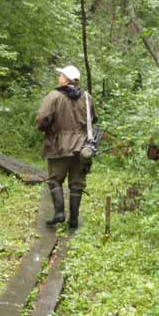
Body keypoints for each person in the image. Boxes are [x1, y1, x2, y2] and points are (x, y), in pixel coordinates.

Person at [36, 65, 96, 229]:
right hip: (82, 148)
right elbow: (93, 118)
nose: (59, 77)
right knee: (77, 183)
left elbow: (42, 119)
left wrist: (46, 128)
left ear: (66, 79)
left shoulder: (53, 96)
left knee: (55, 180)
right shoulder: (86, 97)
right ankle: (74, 219)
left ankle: (59, 213)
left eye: (61, 75)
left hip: (57, 146)